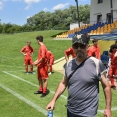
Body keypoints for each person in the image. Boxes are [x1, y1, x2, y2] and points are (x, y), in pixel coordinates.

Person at [46, 34, 112, 117]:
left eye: (82, 46)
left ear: (87, 46)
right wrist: (53, 100)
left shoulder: (96, 64)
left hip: (88, 113)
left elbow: (106, 86)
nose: (79, 49)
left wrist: (108, 108)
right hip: (71, 110)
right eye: (76, 46)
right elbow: (63, 83)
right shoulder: (69, 64)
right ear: (72, 48)